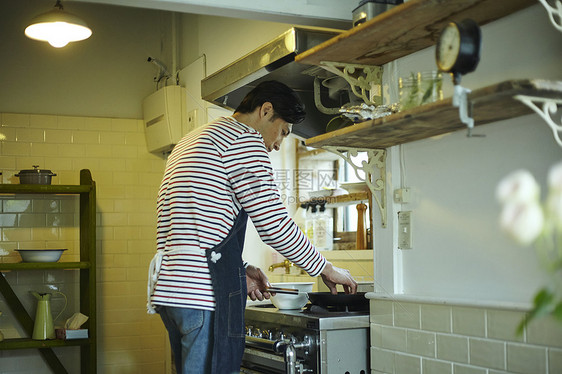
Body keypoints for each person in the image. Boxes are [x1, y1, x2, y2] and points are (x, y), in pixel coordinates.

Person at [147, 80, 358, 374]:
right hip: (203, 294)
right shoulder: (243, 141)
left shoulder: (196, 138)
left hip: (173, 292)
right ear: (265, 110)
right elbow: (275, 225)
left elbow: (190, 225)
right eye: (282, 132)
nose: (276, 145)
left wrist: (239, 268)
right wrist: (325, 268)